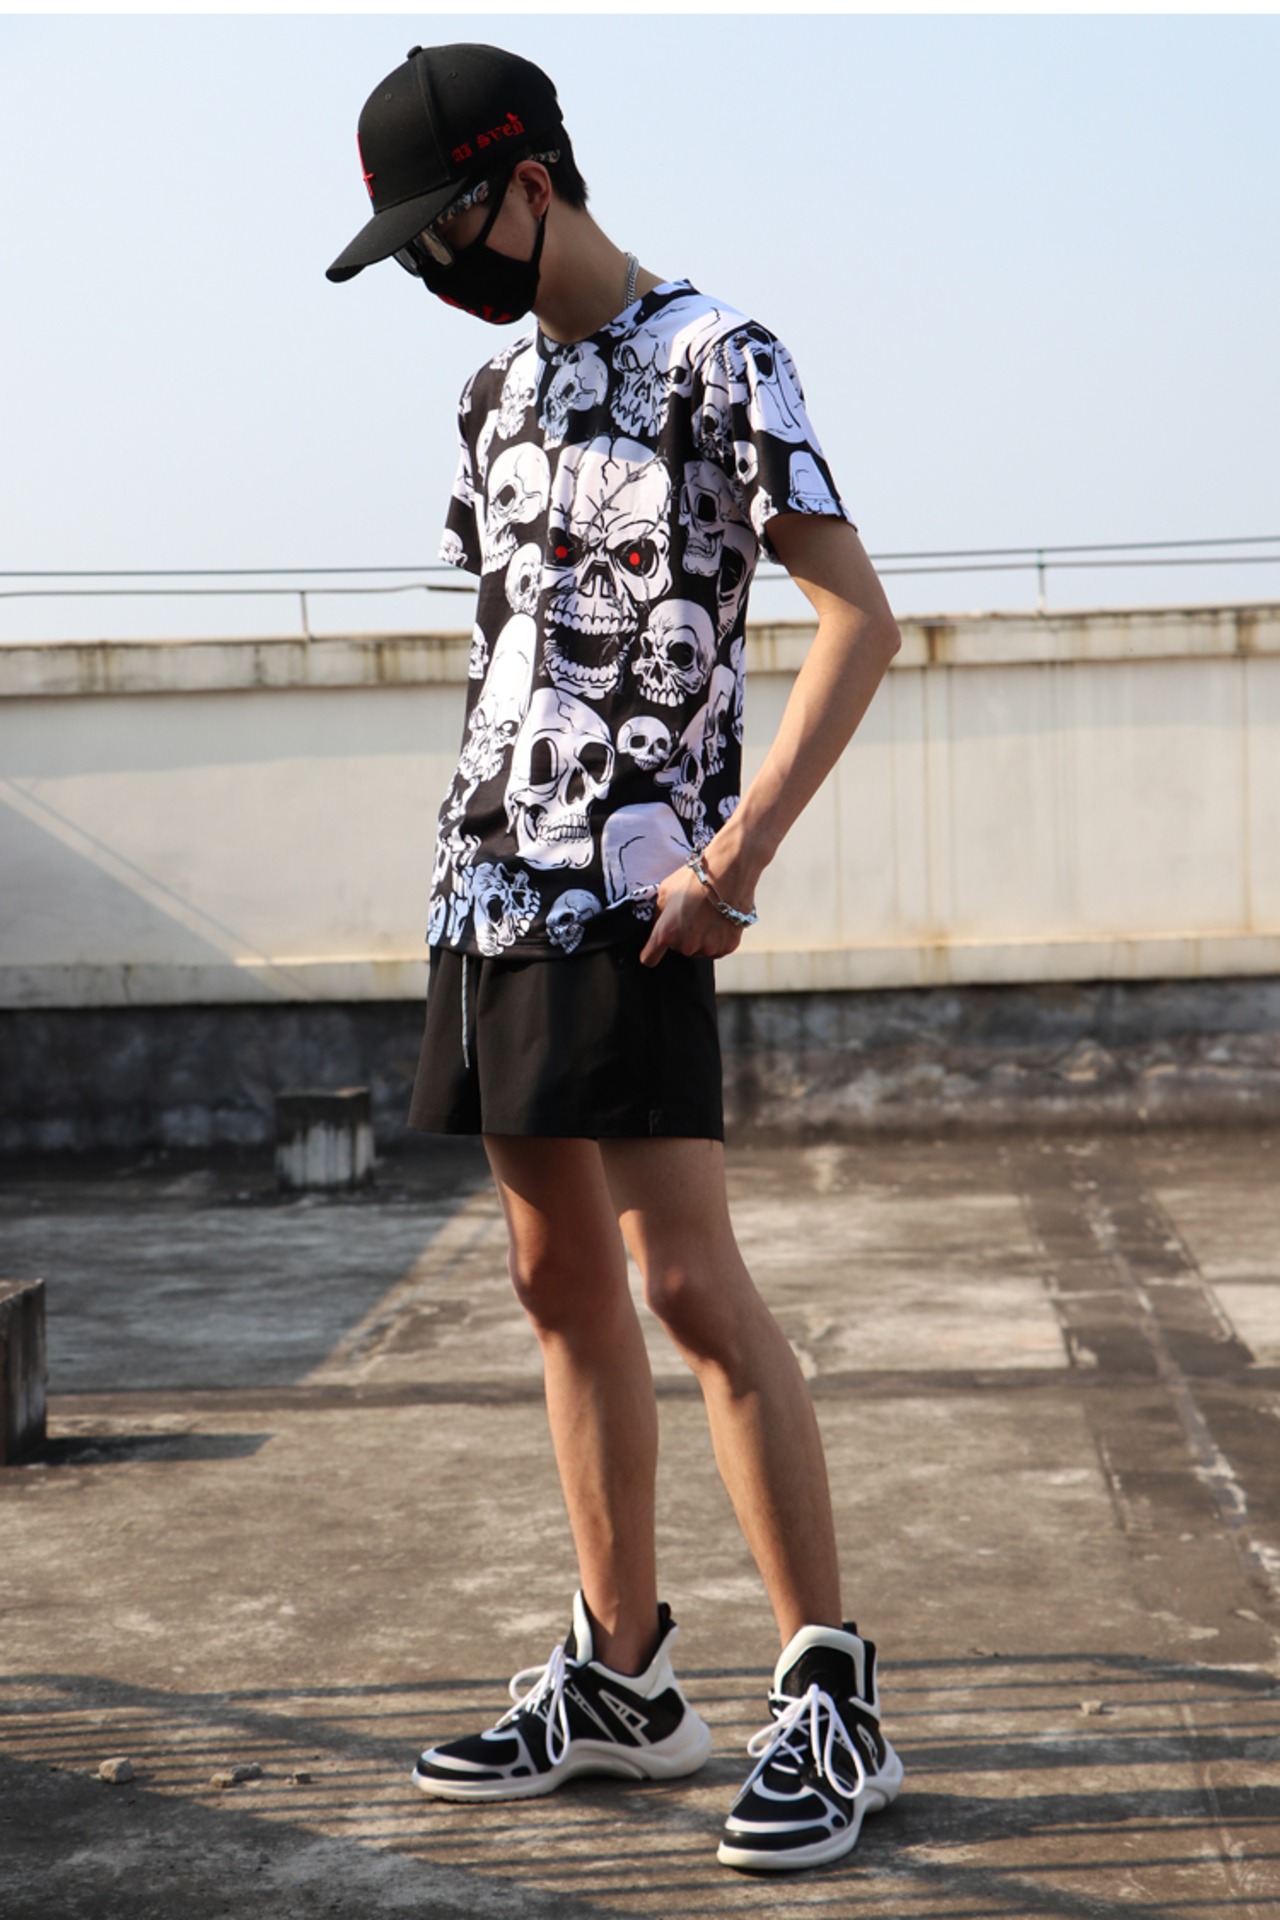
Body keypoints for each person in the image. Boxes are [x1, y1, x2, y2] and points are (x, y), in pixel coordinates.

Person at [328, 42, 904, 1874]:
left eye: (446, 230)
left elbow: (858, 620)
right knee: (552, 1281)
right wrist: (465, 871)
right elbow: (517, 644)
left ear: (531, 182)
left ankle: (832, 1695)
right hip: (488, 887)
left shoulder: (721, 354)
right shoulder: (491, 393)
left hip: (641, 892)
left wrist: (736, 863)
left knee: (688, 1287)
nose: (437, 271)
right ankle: (626, 1677)